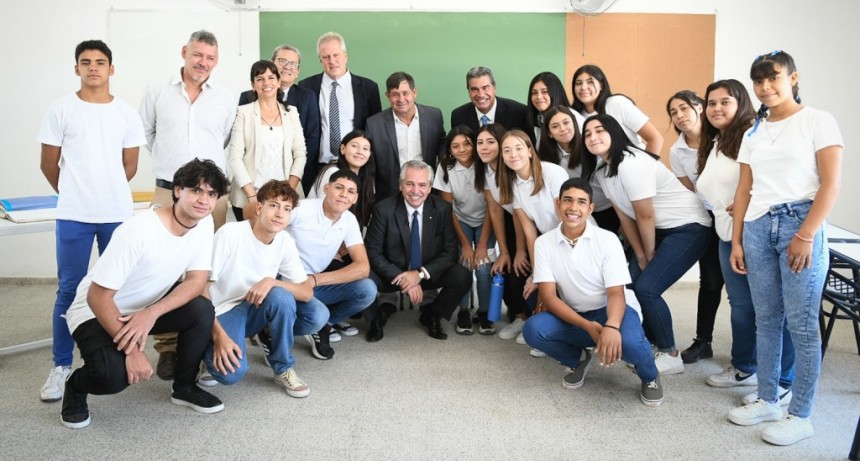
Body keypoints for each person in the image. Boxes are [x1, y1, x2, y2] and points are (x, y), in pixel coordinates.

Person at [59, 159, 229, 429]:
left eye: (211, 194)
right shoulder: (138, 231)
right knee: (113, 377)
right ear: (177, 191)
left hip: (145, 307)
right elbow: (97, 297)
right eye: (196, 190)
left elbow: (197, 281)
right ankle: (75, 386)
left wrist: (151, 313)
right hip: (96, 311)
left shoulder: (204, 223)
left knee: (201, 309)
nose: (203, 200)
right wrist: (132, 351)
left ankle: (183, 387)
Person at [727, 51, 843, 446]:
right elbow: (744, 189)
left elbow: (830, 183)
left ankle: (801, 414)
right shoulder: (753, 130)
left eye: (773, 78)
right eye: (758, 81)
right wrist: (737, 240)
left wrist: (807, 234)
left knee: (802, 323)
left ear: (793, 78)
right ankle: (768, 397)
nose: (765, 87)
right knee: (767, 319)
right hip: (758, 226)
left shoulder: (817, 120)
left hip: (800, 223)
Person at [37, 39, 145, 403]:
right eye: (86, 62)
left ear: (111, 69)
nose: (93, 67)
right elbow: (48, 164)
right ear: (77, 69)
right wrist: (74, 192)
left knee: (118, 289)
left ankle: (118, 354)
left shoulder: (127, 114)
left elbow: (129, 166)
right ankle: (61, 365)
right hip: (73, 215)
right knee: (68, 289)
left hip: (116, 215)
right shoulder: (60, 110)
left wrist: (106, 190)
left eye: (100, 62)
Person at [581, 114, 711, 375]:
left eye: (600, 130)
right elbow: (624, 215)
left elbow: (645, 214)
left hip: (690, 227)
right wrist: (640, 254)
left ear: (615, 133)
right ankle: (651, 341)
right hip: (659, 230)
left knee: (648, 288)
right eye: (587, 134)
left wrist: (648, 253)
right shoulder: (604, 171)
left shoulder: (632, 162)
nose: (593, 137)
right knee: (629, 282)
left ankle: (670, 353)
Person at [139, 30, 236, 379]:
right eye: (197, 55)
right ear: (184, 52)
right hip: (169, 191)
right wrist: (177, 178)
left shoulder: (225, 98)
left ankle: (204, 344)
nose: (203, 63)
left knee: (206, 271)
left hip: (213, 197)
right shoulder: (157, 92)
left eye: (210, 58)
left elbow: (222, 139)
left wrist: (202, 188)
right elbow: (148, 136)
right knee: (162, 270)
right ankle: (167, 347)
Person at [694, 79, 796, 402]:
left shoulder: (752, 135)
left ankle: (784, 379)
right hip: (728, 234)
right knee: (741, 308)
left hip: (754, 233)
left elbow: (768, 181)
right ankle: (745, 367)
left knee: (773, 309)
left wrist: (745, 203)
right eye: (711, 103)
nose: (717, 108)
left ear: (741, 104)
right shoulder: (715, 142)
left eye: (725, 102)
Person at [522, 178, 663, 407]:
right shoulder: (544, 243)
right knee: (534, 330)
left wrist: (611, 327)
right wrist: (587, 326)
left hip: (613, 311)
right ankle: (578, 359)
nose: (573, 208)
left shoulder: (607, 240)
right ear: (558, 204)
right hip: (575, 315)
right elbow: (548, 296)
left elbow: (616, 293)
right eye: (567, 200)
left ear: (590, 208)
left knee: (631, 344)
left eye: (581, 202)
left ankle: (650, 376)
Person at [203, 180, 326, 397]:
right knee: (230, 374)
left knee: (285, 298)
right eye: (274, 205)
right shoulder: (230, 234)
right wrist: (219, 336)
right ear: (259, 208)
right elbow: (201, 291)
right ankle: (204, 354)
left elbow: (306, 292)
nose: (280, 213)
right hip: (221, 310)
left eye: (287, 209)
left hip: (254, 305)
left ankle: (283, 367)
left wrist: (273, 282)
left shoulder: (284, 241)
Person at [364, 160, 472, 341]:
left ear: (430, 187)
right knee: (362, 278)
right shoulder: (383, 209)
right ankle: (376, 318)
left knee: (462, 276)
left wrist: (419, 275)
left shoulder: (442, 209)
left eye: (422, 185)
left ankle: (433, 315)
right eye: (409, 184)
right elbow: (372, 251)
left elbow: (450, 251)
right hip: (392, 274)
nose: (416, 191)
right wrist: (405, 277)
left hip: (428, 273)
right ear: (400, 185)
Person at [287, 169, 377, 355]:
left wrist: (315, 280)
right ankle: (269, 328)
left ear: (355, 198)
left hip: (312, 283)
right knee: (318, 314)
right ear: (327, 188)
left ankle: (323, 326)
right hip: (287, 282)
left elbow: (363, 267)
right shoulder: (301, 208)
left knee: (367, 289)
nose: (344, 195)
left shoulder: (349, 220)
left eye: (350, 192)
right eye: (339, 188)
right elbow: (261, 216)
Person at [665, 90, 725, 364]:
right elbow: (690, 192)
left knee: (741, 289)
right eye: (674, 113)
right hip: (706, 216)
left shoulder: (722, 138)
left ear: (700, 108)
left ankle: (753, 348)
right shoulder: (676, 151)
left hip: (734, 214)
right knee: (710, 281)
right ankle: (704, 341)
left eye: (684, 109)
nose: (679, 116)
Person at [298, 31, 382, 188]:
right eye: (326, 57)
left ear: (345, 56)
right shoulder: (306, 86)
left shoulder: (368, 88)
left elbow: (374, 132)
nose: (332, 61)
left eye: (336, 55)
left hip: (355, 166)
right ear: (320, 60)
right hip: (317, 166)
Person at [433, 126, 496, 335]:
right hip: (460, 220)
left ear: (475, 144)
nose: (462, 149)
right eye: (455, 146)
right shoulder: (445, 167)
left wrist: (481, 245)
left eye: (467, 144)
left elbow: (492, 209)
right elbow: (448, 210)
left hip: (487, 220)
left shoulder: (486, 165)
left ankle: (484, 312)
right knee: (464, 264)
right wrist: (466, 246)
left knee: (484, 266)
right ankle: (463, 311)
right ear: (449, 150)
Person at [497, 130, 572, 305]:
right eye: (507, 151)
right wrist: (537, 274)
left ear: (530, 151)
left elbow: (567, 221)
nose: (513, 154)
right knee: (532, 290)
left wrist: (550, 269)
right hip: (549, 242)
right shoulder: (513, 184)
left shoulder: (553, 173)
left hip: (572, 239)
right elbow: (530, 232)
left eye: (518, 148)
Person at [227, 60, 307, 221]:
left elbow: (300, 153)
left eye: (271, 77)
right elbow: (234, 157)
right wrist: (252, 196)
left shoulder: (291, 113)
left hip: (284, 197)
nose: (266, 83)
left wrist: (288, 192)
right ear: (253, 85)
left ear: (278, 82)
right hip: (248, 196)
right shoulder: (244, 112)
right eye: (260, 79)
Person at [238, 44, 321, 194]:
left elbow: (311, 139)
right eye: (282, 61)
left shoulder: (307, 97)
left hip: (292, 179)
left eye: (293, 64)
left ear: (298, 71)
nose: (288, 67)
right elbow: (239, 148)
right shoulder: (247, 98)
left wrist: (294, 178)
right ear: (272, 63)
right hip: (253, 182)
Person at [475, 124, 531, 341]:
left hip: (528, 222)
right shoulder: (486, 169)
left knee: (521, 271)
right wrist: (504, 251)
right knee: (504, 269)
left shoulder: (511, 168)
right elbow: (495, 210)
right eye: (480, 142)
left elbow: (520, 213)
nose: (484, 147)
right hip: (510, 220)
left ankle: (532, 321)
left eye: (491, 142)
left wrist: (519, 250)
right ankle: (520, 317)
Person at [366, 71, 446, 202]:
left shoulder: (433, 116)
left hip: (425, 191)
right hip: (389, 193)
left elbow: (442, 143)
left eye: (405, 93)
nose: (401, 99)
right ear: (388, 96)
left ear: (414, 93)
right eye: (395, 94)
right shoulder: (374, 123)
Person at [538, 105, 617, 232]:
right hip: (580, 213)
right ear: (549, 133)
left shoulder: (590, 145)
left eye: (566, 122)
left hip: (609, 207)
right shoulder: (547, 158)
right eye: (555, 126)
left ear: (574, 123)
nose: (562, 129)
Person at [571, 64, 663, 154]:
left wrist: (647, 167)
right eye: (578, 83)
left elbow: (655, 139)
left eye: (590, 82)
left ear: (601, 86)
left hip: (635, 163)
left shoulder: (616, 103)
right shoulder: (575, 115)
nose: (583, 87)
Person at [307, 130, 376, 229]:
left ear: (369, 154)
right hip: (320, 229)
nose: (360, 152)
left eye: (365, 149)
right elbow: (325, 212)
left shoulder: (367, 178)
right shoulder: (333, 171)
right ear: (343, 149)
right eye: (354, 146)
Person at [450, 66, 529, 139]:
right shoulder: (458, 116)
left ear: (494, 88)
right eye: (474, 89)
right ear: (468, 92)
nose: (481, 94)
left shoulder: (518, 112)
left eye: (485, 88)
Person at [525, 72, 584, 148]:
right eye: (534, 93)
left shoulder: (572, 116)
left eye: (544, 92)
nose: (539, 97)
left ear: (555, 92)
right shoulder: (540, 118)